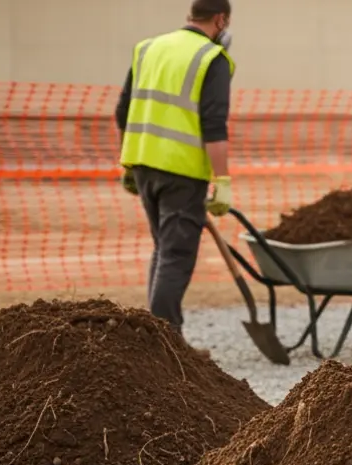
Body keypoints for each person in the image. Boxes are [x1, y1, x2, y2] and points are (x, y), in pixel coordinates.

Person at [115, 0, 235, 337]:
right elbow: (214, 125)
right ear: (220, 19)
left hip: (143, 164)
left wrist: (128, 163)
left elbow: (123, 111)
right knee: (176, 255)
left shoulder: (148, 48)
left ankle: (157, 339)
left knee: (164, 249)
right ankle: (165, 342)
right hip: (181, 172)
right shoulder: (212, 59)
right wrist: (222, 181)